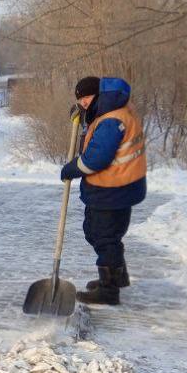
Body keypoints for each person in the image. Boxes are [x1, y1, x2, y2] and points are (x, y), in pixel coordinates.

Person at [59, 76, 147, 305]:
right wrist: (83, 116)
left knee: (104, 237)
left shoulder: (110, 119)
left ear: (98, 95)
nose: (84, 103)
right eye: (80, 100)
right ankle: (117, 277)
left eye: (86, 98)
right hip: (116, 187)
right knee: (96, 232)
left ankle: (109, 291)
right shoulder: (112, 109)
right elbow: (96, 135)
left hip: (113, 189)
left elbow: (97, 157)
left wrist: (72, 168)